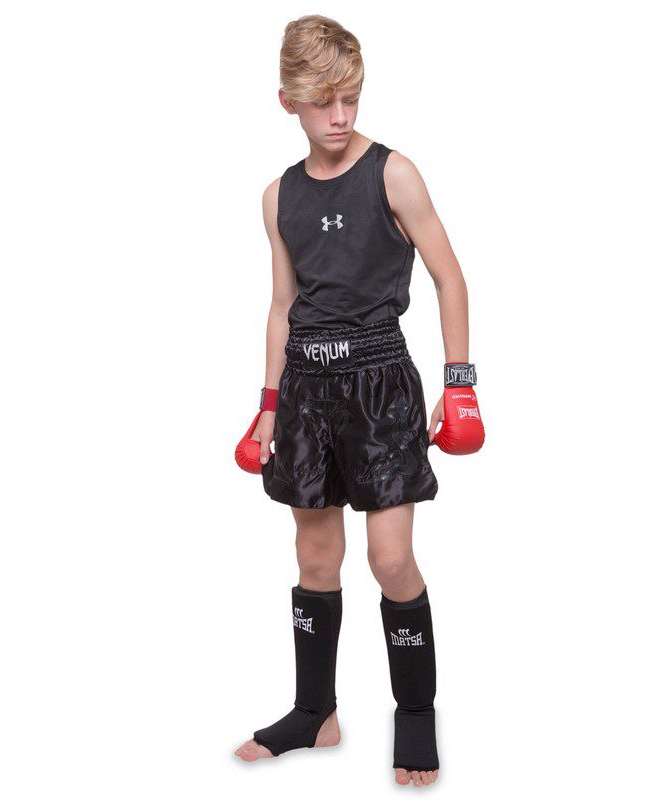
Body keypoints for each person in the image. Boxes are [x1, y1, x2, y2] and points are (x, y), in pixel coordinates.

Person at [233, 15, 484, 788]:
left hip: (379, 382)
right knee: (315, 556)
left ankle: (416, 715)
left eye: (351, 98)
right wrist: (268, 405)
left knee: (390, 556)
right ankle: (316, 712)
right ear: (288, 101)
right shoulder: (278, 196)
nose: (340, 116)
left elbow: (449, 277)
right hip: (306, 388)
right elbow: (283, 305)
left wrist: (460, 382)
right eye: (323, 102)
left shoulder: (394, 173)